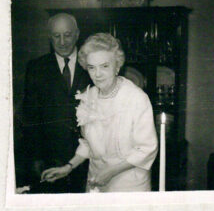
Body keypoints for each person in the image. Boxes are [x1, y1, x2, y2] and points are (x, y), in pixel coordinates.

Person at [41, 33, 158, 192]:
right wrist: (69, 167)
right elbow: (89, 144)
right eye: (91, 67)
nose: (97, 74)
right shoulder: (88, 97)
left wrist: (110, 172)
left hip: (129, 184)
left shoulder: (136, 99)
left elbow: (146, 148)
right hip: (96, 180)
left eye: (104, 66)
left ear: (117, 66)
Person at [22, 13, 92, 193]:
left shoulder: (93, 66)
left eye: (67, 35)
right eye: (56, 36)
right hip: (50, 161)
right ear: (49, 36)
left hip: (88, 159)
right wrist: (36, 159)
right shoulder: (36, 68)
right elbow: (30, 118)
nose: (62, 42)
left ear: (77, 34)